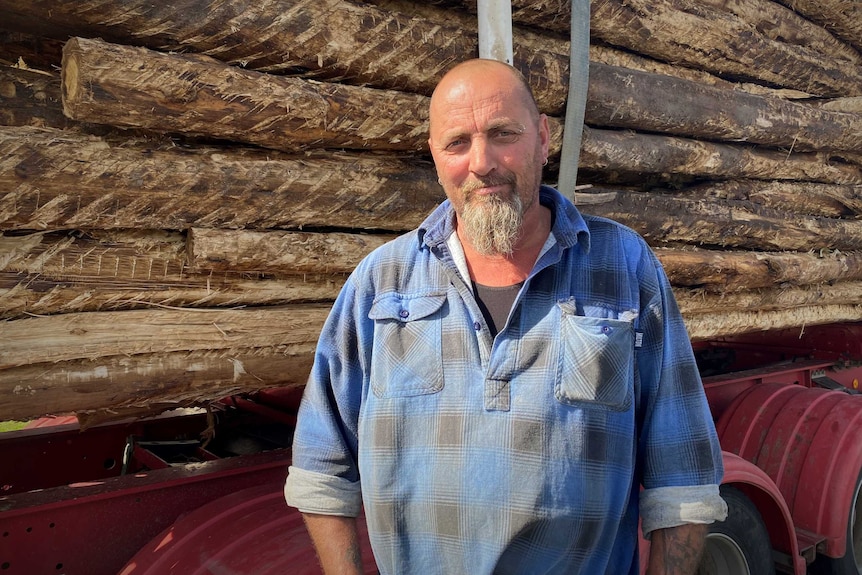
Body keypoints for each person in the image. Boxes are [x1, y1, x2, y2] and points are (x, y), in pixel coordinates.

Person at [284, 58, 727, 575]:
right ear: (435, 155)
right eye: (457, 143)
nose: (481, 162)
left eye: (502, 134)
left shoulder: (623, 266)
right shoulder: (381, 281)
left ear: (542, 138)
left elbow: (683, 475)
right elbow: (321, 463)